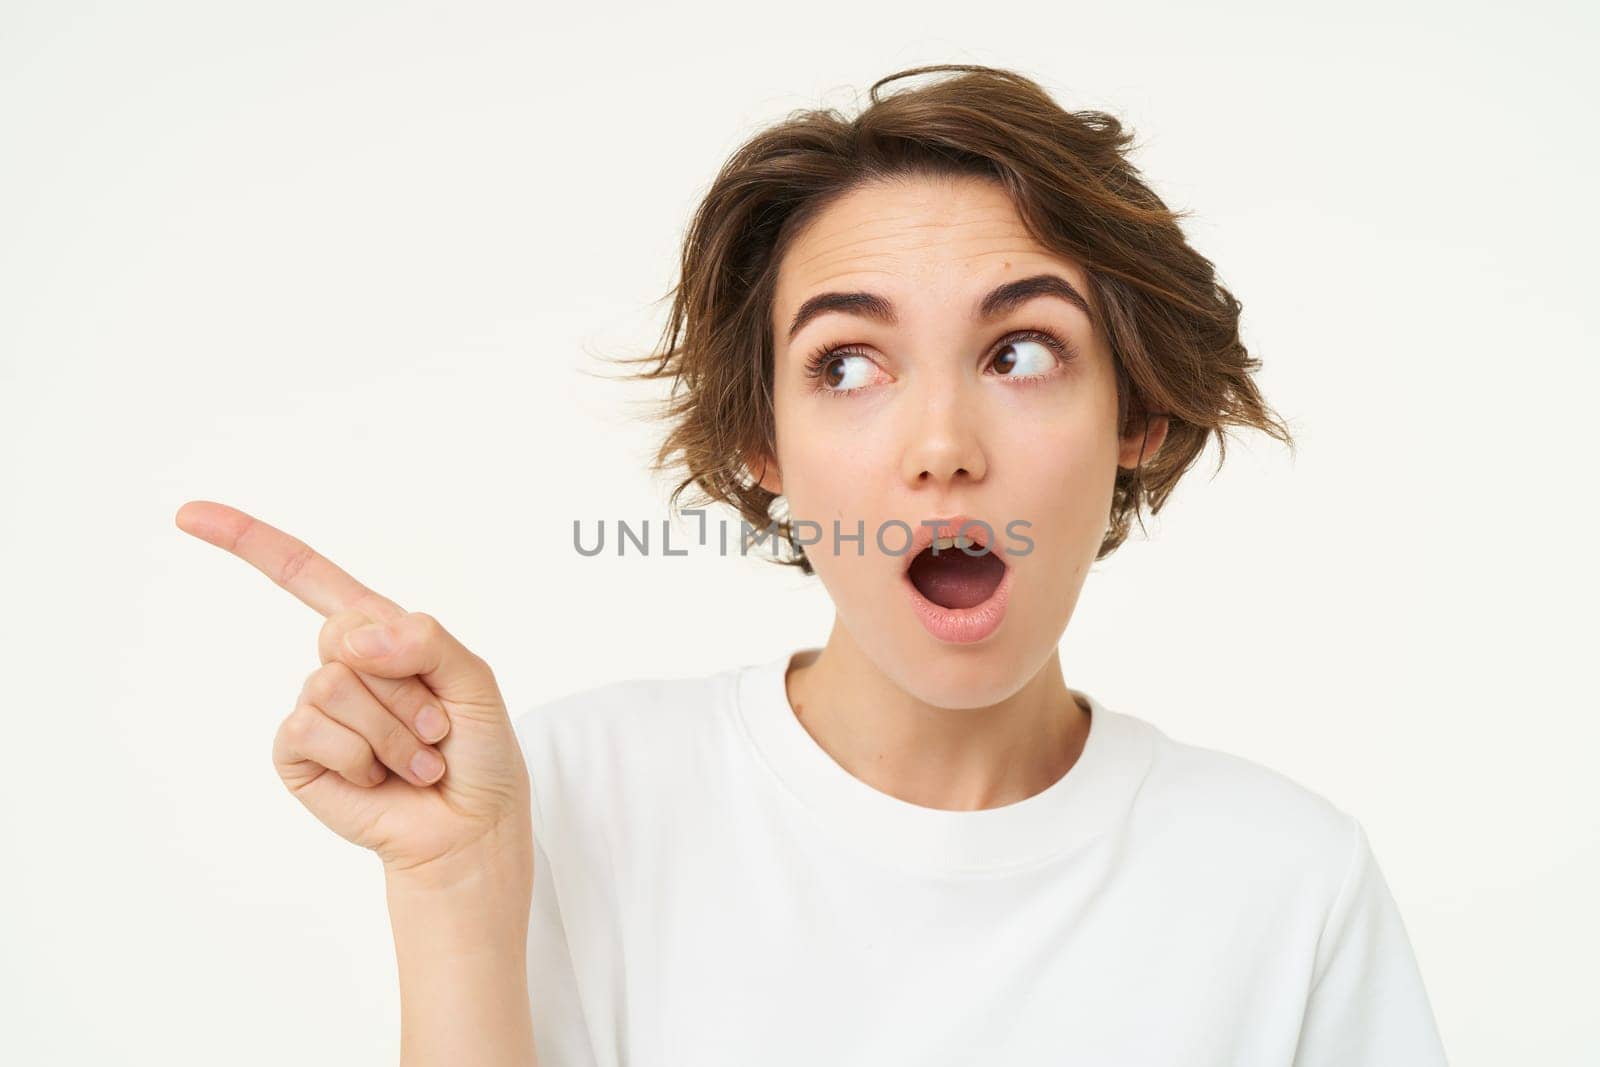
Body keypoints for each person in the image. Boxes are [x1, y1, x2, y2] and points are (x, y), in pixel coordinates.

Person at [176, 64, 1449, 1066]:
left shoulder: (1285, 882)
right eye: (848, 364)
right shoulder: (560, 798)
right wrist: (454, 890)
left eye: (1020, 351)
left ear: (1137, 417)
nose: (943, 447)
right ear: (762, 442)